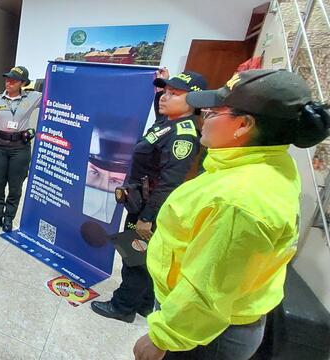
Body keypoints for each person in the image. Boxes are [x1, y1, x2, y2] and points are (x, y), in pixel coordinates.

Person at [132, 69, 330, 360]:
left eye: (214, 111)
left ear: (242, 125)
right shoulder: (259, 165)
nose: (204, 116)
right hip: (207, 322)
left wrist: (163, 337)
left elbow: (208, 290)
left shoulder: (239, 201)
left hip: (203, 334)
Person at [91, 71, 206, 323]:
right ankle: (143, 303)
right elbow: (156, 133)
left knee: (135, 257)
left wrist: (147, 217)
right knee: (145, 256)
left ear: (195, 101)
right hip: (141, 200)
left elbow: (169, 183)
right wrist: (161, 89)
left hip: (150, 206)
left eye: (173, 94)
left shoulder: (183, 135)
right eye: (164, 92)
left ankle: (122, 307)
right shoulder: (168, 122)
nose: (165, 97)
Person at [0, 66, 43, 232]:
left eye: (13, 80)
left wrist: (54, 73)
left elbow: (51, 93)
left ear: (22, 83)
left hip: (20, 149)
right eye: (7, 79)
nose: (9, 82)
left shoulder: (32, 97)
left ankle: (8, 219)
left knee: (15, 187)